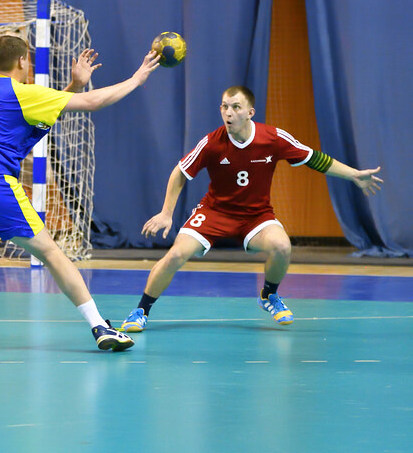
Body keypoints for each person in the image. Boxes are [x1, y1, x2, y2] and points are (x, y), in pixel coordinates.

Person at [0, 35, 161, 362]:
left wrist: (73, 86)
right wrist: (137, 78)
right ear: (22, 61)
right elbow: (93, 103)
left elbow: (37, 112)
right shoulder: (22, 93)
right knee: (52, 253)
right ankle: (100, 327)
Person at [119, 85, 383, 333]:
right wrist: (166, 213)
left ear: (250, 112)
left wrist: (354, 175)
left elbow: (314, 158)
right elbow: (180, 172)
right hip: (214, 213)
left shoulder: (273, 138)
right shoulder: (211, 143)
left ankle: (269, 294)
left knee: (282, 246)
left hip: (256, 216)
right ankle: (141, 310)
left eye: (236, 107)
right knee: (176, 254)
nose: (229, 112)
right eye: (224, 106)